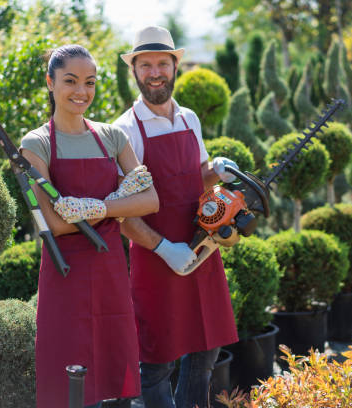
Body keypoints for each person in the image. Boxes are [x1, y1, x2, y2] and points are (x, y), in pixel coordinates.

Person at [20, 44, 159, 408]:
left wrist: (95, 206)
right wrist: (117, 206)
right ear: (50, 83)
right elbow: (54, 224)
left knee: (115, 378)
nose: (81, 92)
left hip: (111, 271)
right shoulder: (37, 143)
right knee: (68, 383)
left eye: (90, 82)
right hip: (65, 277)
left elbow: (149, 200)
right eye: (70, 81)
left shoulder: (112, 136)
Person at [113, 26, 239, 408]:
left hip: (202, 248)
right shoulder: (124, 130)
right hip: (157, 258)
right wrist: (165, 248)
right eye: (146, 64)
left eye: (162, 64)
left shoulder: (189, 119)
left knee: (205, 352)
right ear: (134, 71)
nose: (155, 72)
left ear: (174, 67)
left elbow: (193, 178)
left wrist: (216, 170)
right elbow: (122, 212)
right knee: (156, 363)